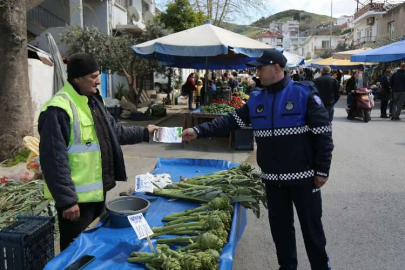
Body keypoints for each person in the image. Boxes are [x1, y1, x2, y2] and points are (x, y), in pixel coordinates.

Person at [182, 50, 333, 270]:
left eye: (260, 68)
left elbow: (323, 134)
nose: (257, 73)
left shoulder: (304, 94)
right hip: (272, 180)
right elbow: (228, 121)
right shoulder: (256, 98)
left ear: (276, 68)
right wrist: (198, 130)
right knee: (281, 231)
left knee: (312, 231)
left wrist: (322, 170)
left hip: (304, 178)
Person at [38, 53, 158, 251]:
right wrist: (67, 201)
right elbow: (53, 160)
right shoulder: (57, 109)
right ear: (77, 78)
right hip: (76, 203)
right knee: (77, 252)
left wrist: (145, 133)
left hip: (97, 194)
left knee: (94, 248)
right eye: (93, 76)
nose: (98, 80)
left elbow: (115, 132)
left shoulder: (93, 102)